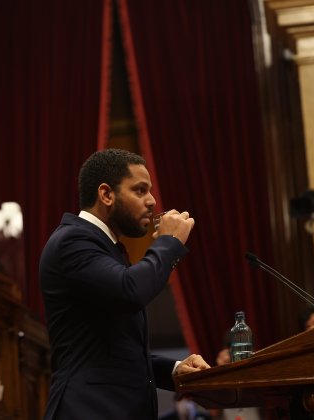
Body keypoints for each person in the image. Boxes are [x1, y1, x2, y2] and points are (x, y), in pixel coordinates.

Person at [39, 148, 210, 420]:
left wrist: (175, 370)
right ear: (106, 194)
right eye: (140, 190)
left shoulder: (105, 248)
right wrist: (169, 242)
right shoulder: (72, 241)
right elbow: (131, 291)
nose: (153, 201)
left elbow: (113, 352)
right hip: (88, 410)